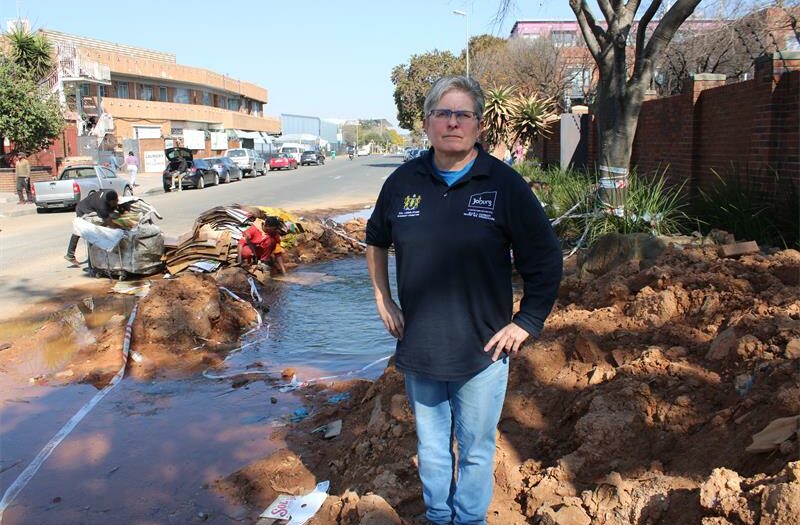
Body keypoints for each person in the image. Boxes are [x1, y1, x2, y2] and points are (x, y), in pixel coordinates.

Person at [365, 76, 563, 525]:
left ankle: (469, 519)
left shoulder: (504, 185)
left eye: (463, 114)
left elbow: (546, 258)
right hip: (421, 346)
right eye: (443, 113)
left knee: (475, 448)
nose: (452, 122)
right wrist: (382, 296)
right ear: (427, 123)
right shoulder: (402, 182)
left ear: (478, 126)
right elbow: (375, 238)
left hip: (484, 350)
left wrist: (527, 321)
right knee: (432, 448)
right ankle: (438, 517)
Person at [65, 189, 120, 272]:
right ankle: (73, 255)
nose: (114, 204)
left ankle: (71, 254)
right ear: (108, 202)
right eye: (112, 203)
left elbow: (114, 208)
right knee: (86, 231)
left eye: (115, 202)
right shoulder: (102, 206)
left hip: (92, 205)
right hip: (83, 209)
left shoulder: (111, 193)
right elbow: (108, 222)